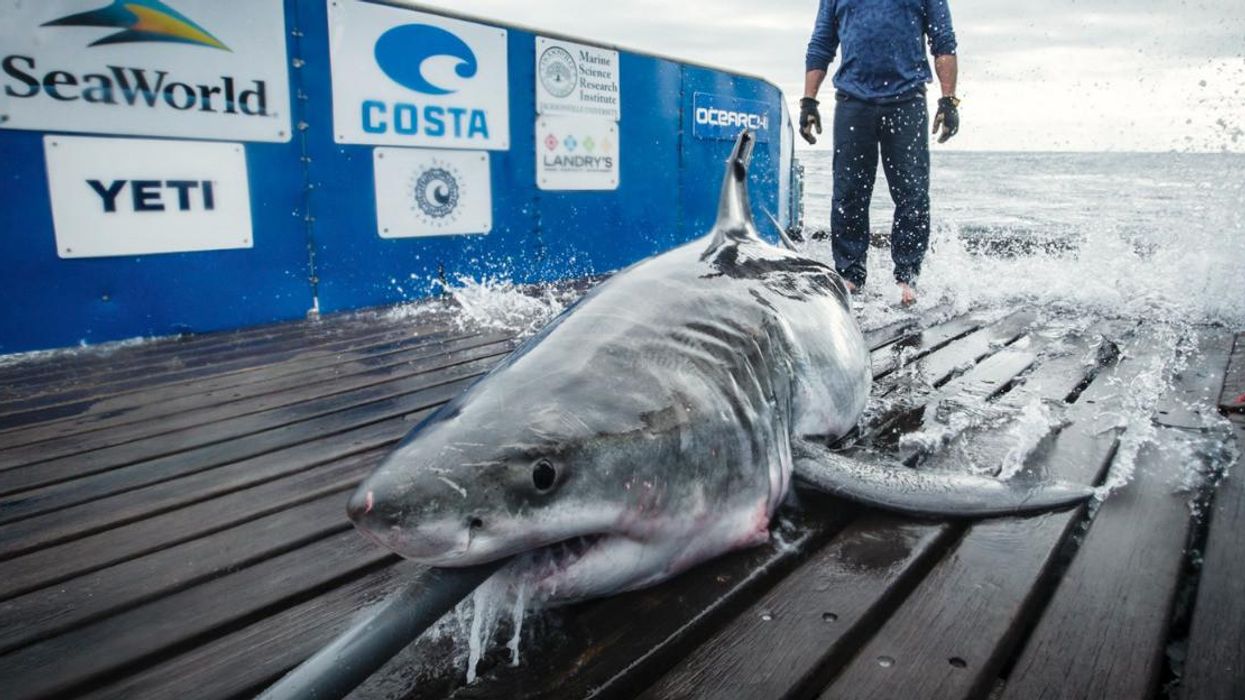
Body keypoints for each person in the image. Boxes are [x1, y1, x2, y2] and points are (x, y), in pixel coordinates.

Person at [800, 0, 960, 306]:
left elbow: (943, 39)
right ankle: (849, 276)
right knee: (848, 193)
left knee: (912, 193)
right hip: (853, 102)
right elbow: (822, 42)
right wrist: (809, 101)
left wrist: (949, 101)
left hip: (907, 100)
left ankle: (907, 277)